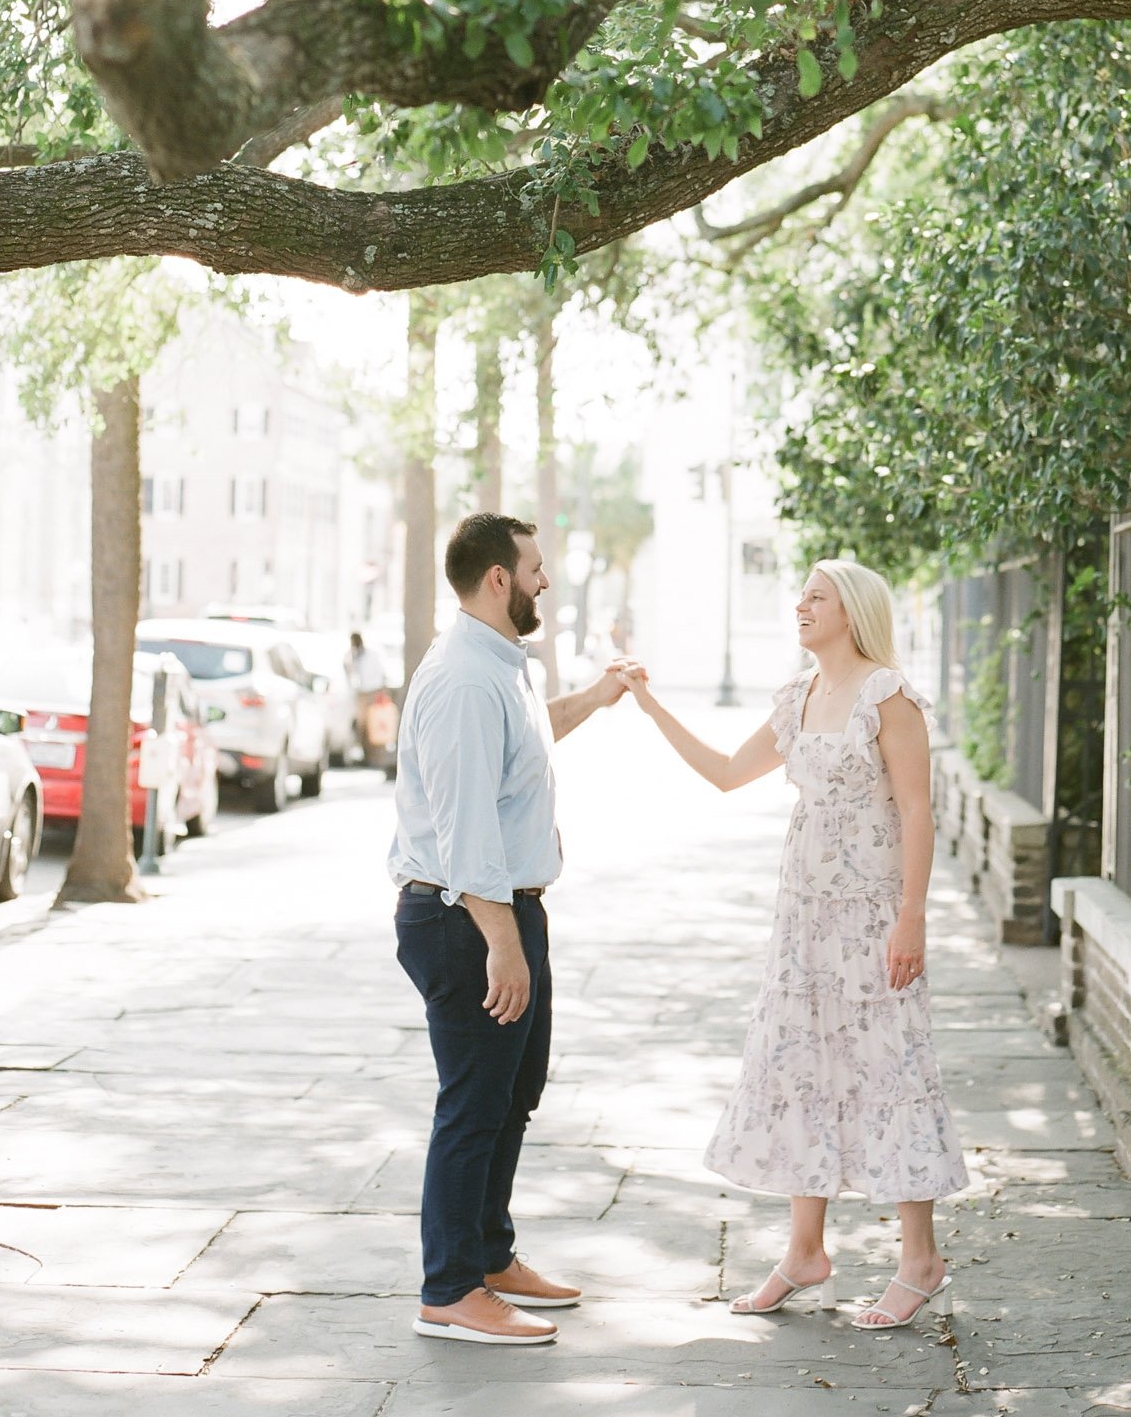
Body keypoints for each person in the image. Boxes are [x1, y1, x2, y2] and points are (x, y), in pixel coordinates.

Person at [619, 558, 969, 1331]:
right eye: (802, 595)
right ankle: (805, 1251)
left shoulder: (889, 696)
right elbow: (722, 773)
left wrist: (912, 918)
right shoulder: (798, 697)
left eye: (817, 596)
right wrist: (648, 704)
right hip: (804, 923)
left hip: (873, 919)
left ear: (853, 611)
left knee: (893, 1068)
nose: (800, 605)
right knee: (801, 1065)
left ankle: (920, 1259)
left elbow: (918, 811)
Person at [389, 511, 631, 1347]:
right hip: (465, 917)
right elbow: (463, 833)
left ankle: (489, 1256)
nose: (544, 582)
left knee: (513, 1094)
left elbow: (526, 746)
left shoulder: (501, 664)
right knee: (474, 1102)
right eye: (534, 569)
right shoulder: (461, 676)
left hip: (505, 910)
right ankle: (450, 1288)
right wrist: (502, 943)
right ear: (499, 577)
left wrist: (598, 698)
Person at [345, 631, 388, 760]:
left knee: (375, 723)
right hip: (361, 693)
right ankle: (363, 752)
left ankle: (375, 753)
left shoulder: (371, 655)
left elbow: (380, 673)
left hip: (373, 691)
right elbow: (349, 674)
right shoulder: (351, 657)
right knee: (361, 724)